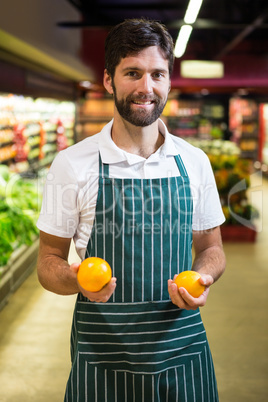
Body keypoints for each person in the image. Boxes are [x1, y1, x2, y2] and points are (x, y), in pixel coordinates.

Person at [37, 18, 226, 402]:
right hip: (102, 356)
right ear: (109, 80)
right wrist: (78, 280)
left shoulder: (194, 162)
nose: (146, 87)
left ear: (169, 80)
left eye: (157, 74)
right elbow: (47, 262)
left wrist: (203, 278)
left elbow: (212, 249)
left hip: (182, 350)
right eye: (133, 73)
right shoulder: (72, 165)